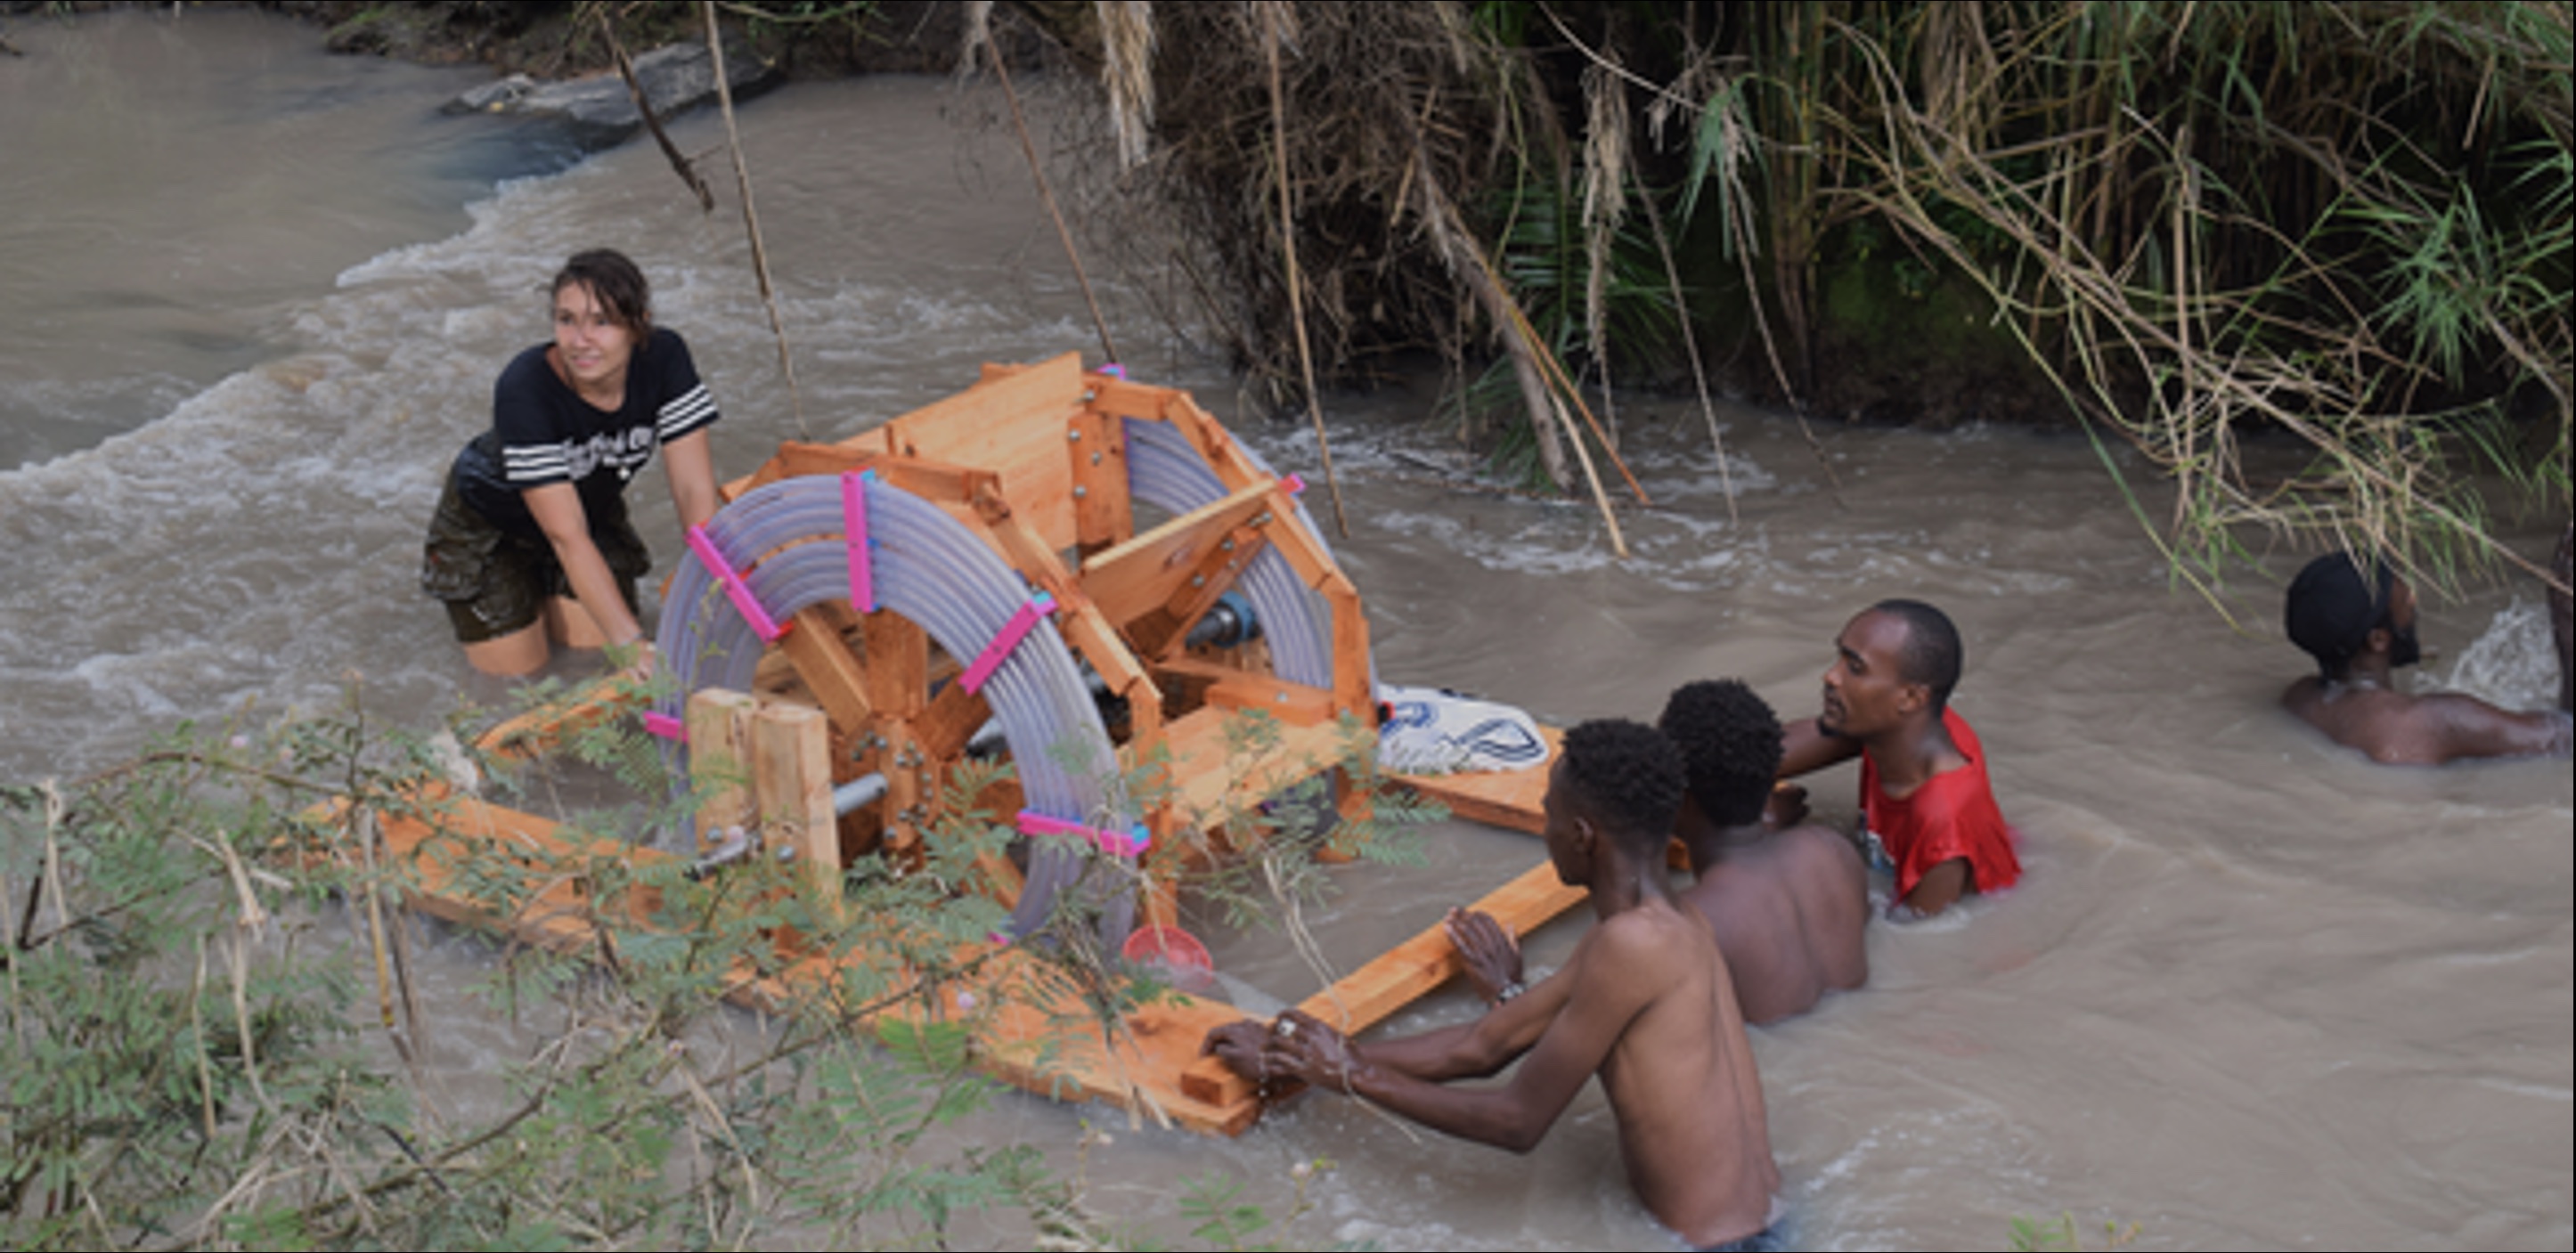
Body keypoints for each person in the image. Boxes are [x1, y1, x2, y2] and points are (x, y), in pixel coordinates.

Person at [1203, 720, 1782, 1250]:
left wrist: (1349, 1074)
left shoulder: (1629, 946)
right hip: (1767, 1226)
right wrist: (1297, 1058)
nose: (1546, 824)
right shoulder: (1675, 925)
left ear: (1582, 835)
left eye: (1548, 810)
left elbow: (1517, 1121)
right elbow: (1483, 1046)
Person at [1451, 680, 1867, 1026]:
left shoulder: (1683, 931)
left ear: (1677, 795)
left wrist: (1504, 990)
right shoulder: (1833, 852)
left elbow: (1571, 1042)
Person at [420, 249, 722, 676]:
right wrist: (633, 645)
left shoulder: (664, 358)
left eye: (602, 322)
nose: (580, 341)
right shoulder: (525, 387)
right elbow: (566, 537)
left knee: (590, 661)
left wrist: (709, 591)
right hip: (492, 529)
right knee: (520, 680)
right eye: (567, 320)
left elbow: (694, 492)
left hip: (587, 509)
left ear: (640, 325)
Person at [1777, 599, 2019, 919]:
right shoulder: (1900, 723)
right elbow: (1761, 755)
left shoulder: (1943, 823)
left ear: (1910, 698)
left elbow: (1907, 938)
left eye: (1855, 668)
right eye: (1839, 658)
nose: (1831, 676)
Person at [2278, 529, 2573, 765]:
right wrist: (2565, 621)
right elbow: (2564, 738)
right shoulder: (2431, 720)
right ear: (2378, 640)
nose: (2413, 599)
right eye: (2402, 596)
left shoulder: (2299, 699)